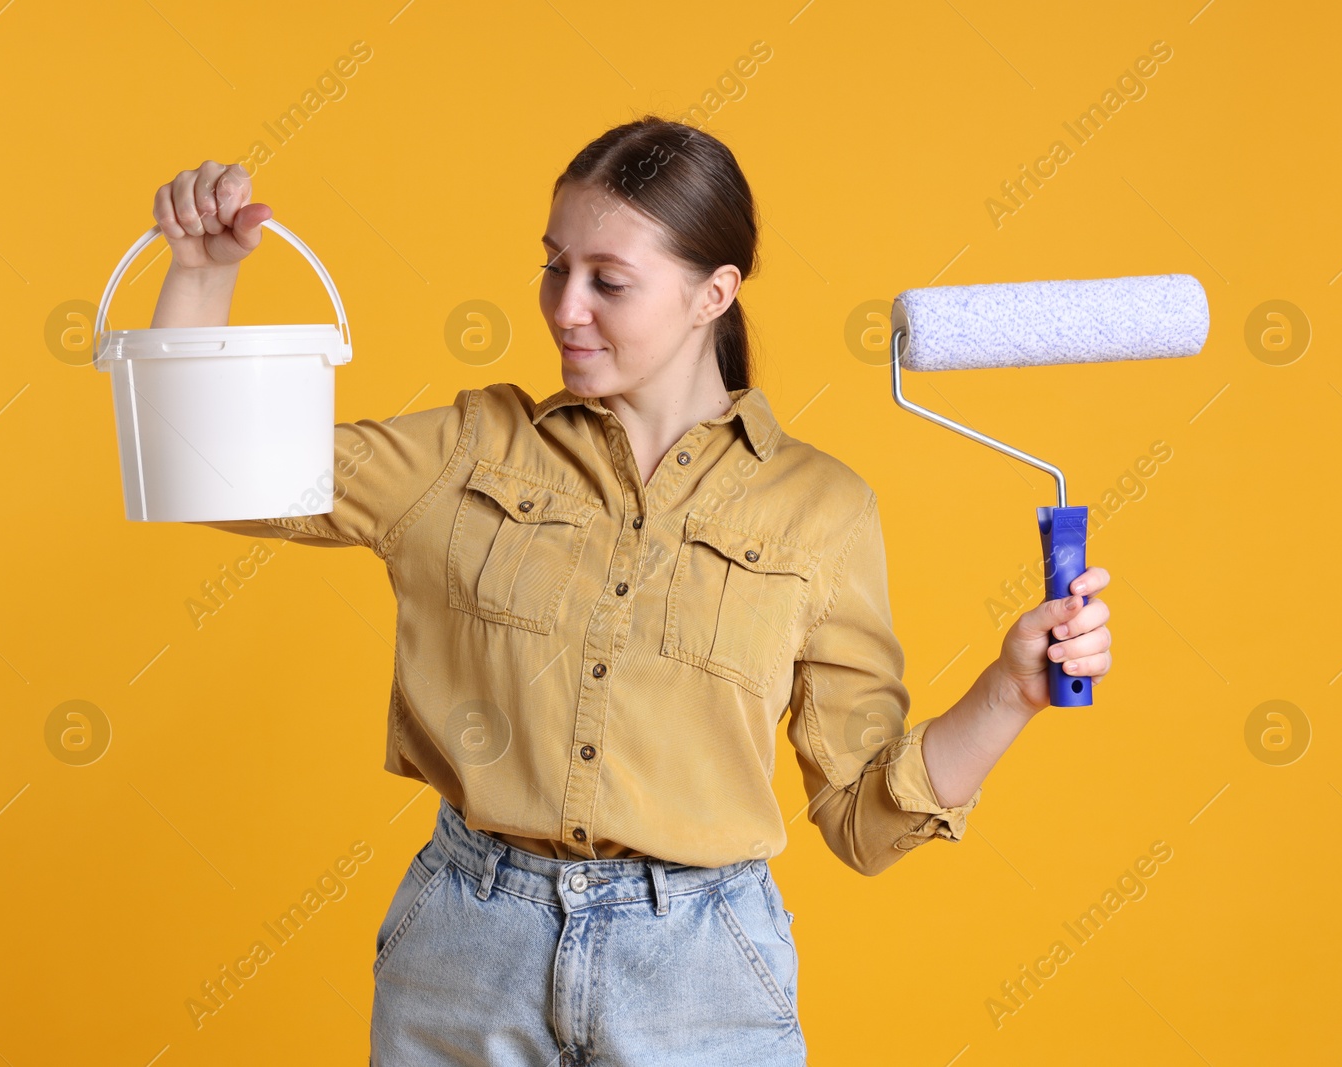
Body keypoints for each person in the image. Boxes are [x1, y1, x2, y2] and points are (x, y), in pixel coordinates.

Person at [148, 116, 1112, 1066]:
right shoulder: (469, 452)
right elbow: (198, 466)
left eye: (609, 280)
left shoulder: (821, 510)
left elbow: (866, 825)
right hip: (466, 956)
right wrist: (201, 270)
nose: (566, 307)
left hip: (703, 978)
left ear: (713, 295)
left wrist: (1010, 689)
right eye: (554, 266)